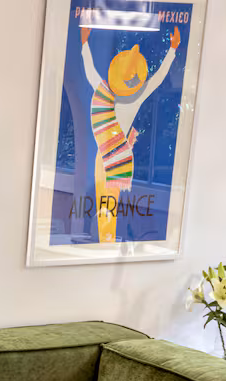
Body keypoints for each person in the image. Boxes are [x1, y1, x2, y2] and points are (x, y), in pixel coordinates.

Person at [80, 25, 179, 242]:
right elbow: (157, 79)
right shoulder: (133, 98)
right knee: (106, 209)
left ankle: (106, 245)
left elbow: (90, 71)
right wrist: (171, 50)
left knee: (106, 210)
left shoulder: (107, 92)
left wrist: (85, 44)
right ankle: (105, 244)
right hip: (114, 160)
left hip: (108, 159)